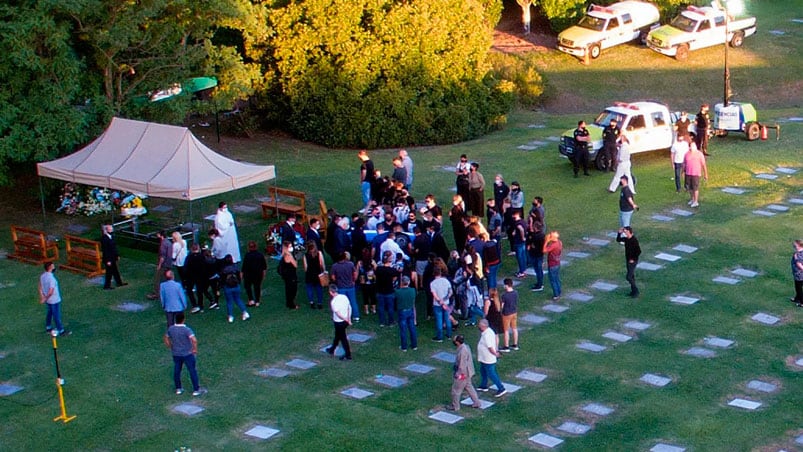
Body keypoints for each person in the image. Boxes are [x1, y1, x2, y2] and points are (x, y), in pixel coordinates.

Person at [163, 312, 204, 396]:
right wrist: (194, 349)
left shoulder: (171, 329)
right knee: (192, 370)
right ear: (183, 319)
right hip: (187, 354)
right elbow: (194, 340)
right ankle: (196, 389)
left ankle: (178, 388)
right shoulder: (187, 330)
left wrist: (170, 346)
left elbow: (166, 338)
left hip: (176, 353)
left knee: (177, 370)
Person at [449, 334, 481, 410]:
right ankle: (477, 402)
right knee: (469, 387)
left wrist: (458, 374)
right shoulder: (466, 347)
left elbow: (462, 366)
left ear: (457, 342)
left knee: (456, 390)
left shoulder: (462, 352)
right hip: (468, 372)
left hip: (463, 373)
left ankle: (455, 406)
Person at [476, 319, 507, 397]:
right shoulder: (488, 331)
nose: (478, 326)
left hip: (488, 358)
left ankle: (501, 388)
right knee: (483, 371)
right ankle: (484, 385)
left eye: (479, 325)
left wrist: (495, 354)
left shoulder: (487, 335)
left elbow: (490, 347)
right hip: (484, 357)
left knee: (491, 374)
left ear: (483, 326)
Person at [39, 262, 69, 336]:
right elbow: (51, 291)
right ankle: (61, 330)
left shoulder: (42, 276)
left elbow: (39, 285)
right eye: (53, 266)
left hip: (48, 300)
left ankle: (48, 327)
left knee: (49, 313)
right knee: (56, 315)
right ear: (50, 268)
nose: (54, 267)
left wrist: (42, 296)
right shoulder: (51, 279)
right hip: (54, 300)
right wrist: (45, 298)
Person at [325, 285, 353, 361]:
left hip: (339, 322)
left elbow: (338, 314)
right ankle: (332, 349)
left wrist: (346, 319)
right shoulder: (344, 297)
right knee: (338, 335)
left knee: (343, 338)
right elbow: (349, 308)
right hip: (345, 321)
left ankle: (348, 355)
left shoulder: (333, 302)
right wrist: (348, 319)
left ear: (331, 292)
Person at [331, 251, 359, 322]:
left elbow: (333, 277)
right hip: (350, 286)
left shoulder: (335, 266)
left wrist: (337, 280)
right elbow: (355, 274)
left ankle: (343, 315)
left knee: (342, 301)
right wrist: (353, 281)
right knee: (353, 301)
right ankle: (356, 316)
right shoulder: (350, 264)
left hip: (341, 287)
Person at [221, 254, 250, 322]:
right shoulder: (235, 267)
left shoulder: (223, 270)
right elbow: (239, 277)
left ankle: (230, 316)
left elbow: (222, 280)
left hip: (227, 287)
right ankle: (245, 312)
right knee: (238, 299)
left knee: (229, 302)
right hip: (236, 286)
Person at [147, 230, 173, 301]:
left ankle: (156, 293)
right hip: (169, 263)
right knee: (168, 278)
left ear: (160, 235)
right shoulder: (168, 242)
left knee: (157, 279)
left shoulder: (163, 244)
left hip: (163, 265)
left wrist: (159, 265)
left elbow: (162, 257)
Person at [616, 226, 642, 297]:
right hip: (628, 260)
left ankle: (636, 291)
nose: (624, 233)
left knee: (629, 277)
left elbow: (638, 251)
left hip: (632, 261)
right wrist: (619, 233)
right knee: (631, 276)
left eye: (625, 232)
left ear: (629, 232)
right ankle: (633, 291)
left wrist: (633, 259)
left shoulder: (634, 240)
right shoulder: (627, 239)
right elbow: (618, 240)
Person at [375, 251, 398, 327]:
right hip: (389, 291)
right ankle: (391, 322)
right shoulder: (392, 270)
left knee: (381, 307)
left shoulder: (378, 269)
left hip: (380, 291)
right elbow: (394, 279)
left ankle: (382, 322)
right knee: (390, 307)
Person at [241, 241, 267, 307]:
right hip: (258, 274)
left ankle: (251, 300)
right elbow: (264, 266)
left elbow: (244, 267)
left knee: (248, 287)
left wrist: (241, 275)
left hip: (248, 275)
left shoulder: (247, 255)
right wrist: (263, 275)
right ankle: (257, 301)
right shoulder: (260, 255)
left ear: (249, 248)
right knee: (257, 287)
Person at [100, 224, 127, 290]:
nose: (112, 230)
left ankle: (119, 283)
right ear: (106, 230)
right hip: (109, 258)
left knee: (115, 271)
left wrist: (117, 255)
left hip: (112, 257)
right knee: (109, 272)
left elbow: (114, 248)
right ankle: (107, 286)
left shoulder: (111, 236)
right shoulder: (104, 239)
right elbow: (106, 250)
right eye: (110, 229)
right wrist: (108, 260)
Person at [430, 268, 453, 342]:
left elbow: (435, 295)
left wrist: (440, 302)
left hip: (437, 304)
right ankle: (449, 334)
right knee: (447, 318)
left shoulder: (433, 283)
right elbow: (450, 292)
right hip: (446, 303)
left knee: (439, 320)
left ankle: (440, 337)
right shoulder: (446, 281)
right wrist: (445, 300)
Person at [183, 244, 208, 313]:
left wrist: (185, 277)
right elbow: (205, 266)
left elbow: (185, 268)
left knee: (189, 290)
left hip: (190, 277)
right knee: (200, 291)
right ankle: (201, 306)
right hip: (200, 276)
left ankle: (194, 305)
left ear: (191, 249)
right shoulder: (202, 256)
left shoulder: (189, 257)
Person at [395, 276, 418, 351]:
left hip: (402, 312)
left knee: (403, 329)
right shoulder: (413, 290)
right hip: (410, 310)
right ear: (409, 282)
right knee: (412, 328)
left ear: (402, 282)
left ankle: (404, 346)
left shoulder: (398, 291)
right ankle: (414, 345)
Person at [683, 142, 708, 208]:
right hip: (688, 173)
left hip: (696, 173)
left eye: (693, 146)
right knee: (689, 188)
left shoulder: (699, 154)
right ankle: (692, 199)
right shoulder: (687, 154)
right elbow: (684, 164)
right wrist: (683, 172)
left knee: (695, 188)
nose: (692, 147)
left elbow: (703, 164)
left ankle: (696, 201)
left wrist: (705, 174)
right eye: (691, 146)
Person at [303, 242, 325, 309]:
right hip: (318, 274)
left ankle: (311, 302)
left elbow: (305, 268)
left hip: (309, 274)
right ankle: (320, 303)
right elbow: (322, 264)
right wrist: (324, 271)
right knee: (319, 289)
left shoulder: (305, 255)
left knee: (309, 289)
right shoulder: (319, 253)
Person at [278, 241, 299, 310]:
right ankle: (291, 304)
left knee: (288, 289)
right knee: (292, 290)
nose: (291, 248)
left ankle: (289, 303)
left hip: (287, 276)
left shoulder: (283, 255)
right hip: (291, 275)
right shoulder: (289, 256)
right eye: (290, 247)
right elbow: (295, 265)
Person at [499, 278, 519, 352]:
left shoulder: (504, 295)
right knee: (514, 328)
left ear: (507, 285)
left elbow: (502, 306)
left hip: (506, 314)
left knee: (506, 330)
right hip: (514, 312)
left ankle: (506, 346)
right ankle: (515, 345)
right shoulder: (516, 293)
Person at [543, 231, 563, 301]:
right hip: (557, 263)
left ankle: (556, 295)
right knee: (557, 278)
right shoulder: (559, 242)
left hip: (552, 264)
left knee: (553, 280)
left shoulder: (553, 245)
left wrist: (546, 241)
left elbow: (544, 250)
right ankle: (559, 292)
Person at [511, 210, 527, 278]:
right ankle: (524, 269)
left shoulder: (517, 223)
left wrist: (522, 237)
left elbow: (521, 229)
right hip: (522, 242)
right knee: (523, 256)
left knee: (519, 257)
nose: (512, 216)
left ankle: (521, 272)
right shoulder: (522, 221)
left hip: (519, 242)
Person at [790, 240, 803, 307]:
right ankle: (797, 298)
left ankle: (801, 302)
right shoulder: (799, 252)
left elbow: (799, 265)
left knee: (798, 288)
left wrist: (796, 258)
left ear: (799, 246)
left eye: (795, 246)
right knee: (798, 287)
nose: (794, 246)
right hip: (799, 274)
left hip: (799, 275)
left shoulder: (798, 255)